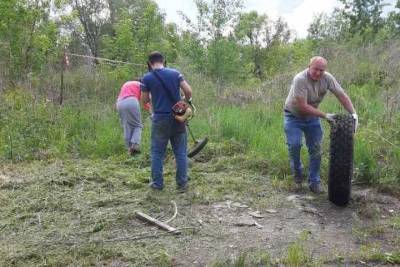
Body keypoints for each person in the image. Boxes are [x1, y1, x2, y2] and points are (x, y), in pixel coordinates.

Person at [284, 56, 358, 193]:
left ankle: (314, 182)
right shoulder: (300, 79)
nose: (318, 73)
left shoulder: (327, 78)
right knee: (294, 145)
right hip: (293, 116)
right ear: (309, 66)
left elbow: (341, 95)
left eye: (321, 70)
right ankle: (298, 176)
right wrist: (325, 116)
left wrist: (354, 114)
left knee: (316, 150)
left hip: (312, 117)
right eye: (315, 69)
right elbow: (302, 106)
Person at [140, 51, 193, 192]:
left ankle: (158, 184)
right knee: (180, 152)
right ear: (163, 61)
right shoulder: (175, 73)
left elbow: (144, 100)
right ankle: (182, 184)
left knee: (157, 153)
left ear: (150, 63)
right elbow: (188, 91)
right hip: (178, 117)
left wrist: (154, 99)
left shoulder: (147, 78)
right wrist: (183, 103)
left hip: (160, 119)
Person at [116, 80, 151, 155]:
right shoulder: (142, 85)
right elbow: (145, 100)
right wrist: (151, 112)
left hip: (119, 103)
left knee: (127, 126)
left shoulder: (127, 83)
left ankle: (128, 149)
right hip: (131, 101)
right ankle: (135, 144)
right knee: (138, 125)